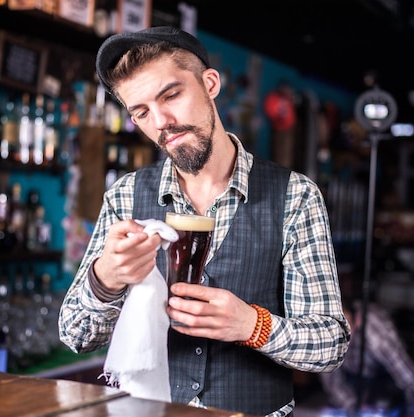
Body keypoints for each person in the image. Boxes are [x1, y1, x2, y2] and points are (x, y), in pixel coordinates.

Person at [58, 26, 350, 417]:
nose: (161, 121)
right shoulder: (125, 196)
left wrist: (252, 325)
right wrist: (106, 277)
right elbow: (74, 334)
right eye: (141, 112)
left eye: (171, 95)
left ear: (209, 83)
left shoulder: (296, 196)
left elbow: (331, 345)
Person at [319, 300, 414, 417]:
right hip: (354, 382)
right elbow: (333, 384)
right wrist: (351, 406)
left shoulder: (377, 337)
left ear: (357, 320)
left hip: (387, 381)